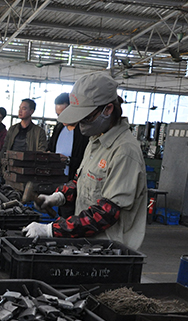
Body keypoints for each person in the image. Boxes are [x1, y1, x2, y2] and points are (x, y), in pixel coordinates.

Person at [21, 71, 147, 251]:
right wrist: (58, 197)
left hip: (109, 251)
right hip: (88, 244)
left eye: (87, 117)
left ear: (108, 109)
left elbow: (105, 214)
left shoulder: (124, 152)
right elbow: (80, 181)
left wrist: (51, 230)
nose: (81, 124)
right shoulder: (95, 141)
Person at [47, 92, 89, 218]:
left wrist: (69, 161)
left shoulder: (83, 132)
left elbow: (87, 160)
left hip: (75, 185)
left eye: (63, 114)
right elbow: (50, 148)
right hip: (57, 182)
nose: (61, 118)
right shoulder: (59, 128)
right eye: (58, 115)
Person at [0, 98, 47, 178]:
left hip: (28, 171)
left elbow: (41, 152)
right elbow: (5, 148)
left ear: (31, 111)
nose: (20, 111)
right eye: (19, 108)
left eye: (24, 109)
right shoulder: (13, 129)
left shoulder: (39, 132)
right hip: (10, 169)